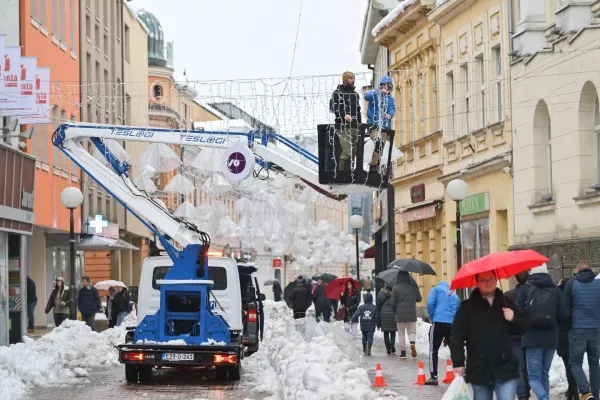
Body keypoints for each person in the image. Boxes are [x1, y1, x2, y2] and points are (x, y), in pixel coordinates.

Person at [449, 270, 530, 400]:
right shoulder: (467, 307)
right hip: (479, 370)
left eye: (491, 279)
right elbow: (456, 336)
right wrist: (458, 362)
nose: (488, 283)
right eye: (483, 280)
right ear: (477, 283)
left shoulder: (506, 303)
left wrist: (513, 318)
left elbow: (524, 327)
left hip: (505, 368)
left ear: (496, 279)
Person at [515, 263, 569, 400]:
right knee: (544, 375)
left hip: (531, 338)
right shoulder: (556, 290)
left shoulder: (525, 290)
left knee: (533, 377)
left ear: (532, 273)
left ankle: (544, 398)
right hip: (551, 338)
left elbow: (517, 313)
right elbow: (564, 314)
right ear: (547, 273)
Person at [563, 259, 600, 400]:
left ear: (577, 270)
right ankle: (595, 396)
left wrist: (567, 326)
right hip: (596, 329)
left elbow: (565, 307)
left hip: (577, 328)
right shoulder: (598, 284)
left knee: (575, 363)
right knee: (595, 364)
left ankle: (586, 392)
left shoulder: (572, 283)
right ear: (590, 269)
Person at [425, 280, 460, 385]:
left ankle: (434, 376)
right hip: (452, 323)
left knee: (433, 350)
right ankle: (461, 373)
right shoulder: (454, 295)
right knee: (455, 349)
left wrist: (433, 317)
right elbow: (459, 310)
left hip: (439, 322)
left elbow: (430, 303)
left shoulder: (435, 290)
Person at [504, 271, 532, 399]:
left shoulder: (507, 295)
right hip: (530, 334)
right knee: (528, 365)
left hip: (513, 335)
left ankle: (522, 394)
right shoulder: (532, 293)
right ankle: (526, 389)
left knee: (519, 366)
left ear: (515, 280)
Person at [329, 71, 362, 171]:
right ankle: (342, 173)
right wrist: (344, 115)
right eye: (350, 78)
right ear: (344, 80)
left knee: (355, 151)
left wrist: (360, 125)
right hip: (342, 126)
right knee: (348, 151)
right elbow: (333, 107)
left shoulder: (355, 94)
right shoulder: (337, 93)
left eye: (353, 78)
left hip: (355, 126)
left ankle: (350, 172)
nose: (353, 80)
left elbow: (358, 110)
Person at [364, 76, 396, 172]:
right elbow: (366, 96)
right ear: (381, 85)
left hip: (385, 127)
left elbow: (392, 108)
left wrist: (389, 115)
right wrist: (378, 92)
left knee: (381, 147)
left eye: (388, 86)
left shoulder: (390, 99)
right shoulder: (374, 95)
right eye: (384, 85)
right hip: (373, 125)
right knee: (378, 142)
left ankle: (375, 166)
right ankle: (373, 165)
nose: (386, 87)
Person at [390, 271, 422, 359]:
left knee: (401, 334)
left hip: (399, 315)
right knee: (412, 331)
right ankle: (412, 343)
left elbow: (392, 302)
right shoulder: (413, 287)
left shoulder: (395, 288)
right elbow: (419, 299)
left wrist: (395, 311)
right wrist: (416, 288)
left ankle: (403, 352)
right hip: (411, 314)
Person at [558, 277, 579, 400]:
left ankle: (574, 391)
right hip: (576, 334)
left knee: (569, 365)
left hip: (564, 335)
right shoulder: (576, 296)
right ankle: (572, 390)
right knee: (574, 364)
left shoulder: (560, 297)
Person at [376, 285, 397, 355]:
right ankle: (392, 345)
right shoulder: (395, 294)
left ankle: (388, 348)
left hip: (384, 315)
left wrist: (378, 322)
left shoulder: (381, 295)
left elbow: (378, 307)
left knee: (386, 332)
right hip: (393, 314)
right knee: (393, 332)